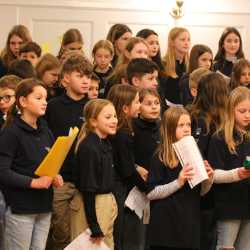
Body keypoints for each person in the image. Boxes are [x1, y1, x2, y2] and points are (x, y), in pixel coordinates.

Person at [0, 78, 63, 250]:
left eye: (45, 98)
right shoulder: (11, 132)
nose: (44, 102)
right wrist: (33, 182)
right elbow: (3, 172)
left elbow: (49, 163)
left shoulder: (45, 129)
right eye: (38, 98)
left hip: (44, 205)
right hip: (22, 207)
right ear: (23, 101)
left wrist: (55, 175)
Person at [147, 106, 213, 250]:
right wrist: (178, 182)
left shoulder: (195, 153)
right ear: (169, 129)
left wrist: (208, 179)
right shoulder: (160, 156)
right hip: (166, 230)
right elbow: (151, 193)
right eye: (181, 125)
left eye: (188, 124)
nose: (186, 129)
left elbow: (201, 192)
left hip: (189, 227)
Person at [45, 54, 92, 250]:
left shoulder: (92, 107)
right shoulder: (53, 106)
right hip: (61, 180)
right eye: (80, 76)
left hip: (86, 181)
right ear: (65, 79)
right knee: (59, 232)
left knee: (81, 233)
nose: (85, 81)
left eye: (88, 77)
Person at [70, 99, 118, 249]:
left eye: (115, 116)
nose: (114, 121)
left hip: (105, 202)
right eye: (108, 117)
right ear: (93, 121)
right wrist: (94, 225)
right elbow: (88, 189)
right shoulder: (89, 147)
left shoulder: (105, 143)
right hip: (93, 206)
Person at [208, 86, 250, 250]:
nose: (248, 115)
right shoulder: (219, 138)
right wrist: (238, 174)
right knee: (226, 246)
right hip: (229, 204)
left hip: (247, 203)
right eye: (242, 111)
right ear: (231, 110)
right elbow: (213, 175)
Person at [107, 84, 147, 250]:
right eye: (137, 102)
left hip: (120, 187)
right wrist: (147, 187)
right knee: (121, 236)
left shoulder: (124, 131)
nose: (140, 106)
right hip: (120, 190)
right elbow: (127, 170)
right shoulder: (121, 134)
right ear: (124, 108)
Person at [160, 27, 190, 106]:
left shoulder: (190, 64)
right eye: (183, 40)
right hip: (169, 108)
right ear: (172, 42)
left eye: (188, 40)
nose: (187, 43)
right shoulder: (163, 64)